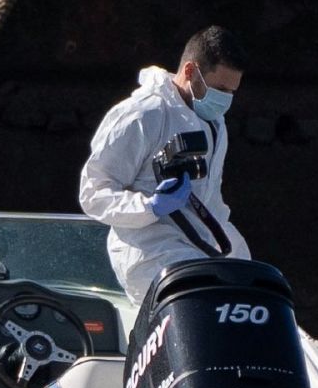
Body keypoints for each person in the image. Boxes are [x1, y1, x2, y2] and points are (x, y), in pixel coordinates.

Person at [79, 26, 250, 306]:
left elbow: (212, 198)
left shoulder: (214, 122)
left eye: (232, 91)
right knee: (202, 303)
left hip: (205, 244)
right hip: (151, 251)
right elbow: (93, 193)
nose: (225, 100)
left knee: (257, 287)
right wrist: (151, 206)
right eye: (220, 89)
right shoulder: (142, 115)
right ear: (190, 71)